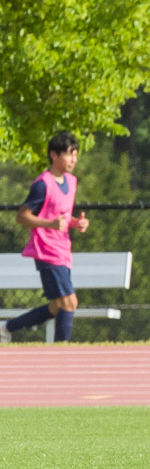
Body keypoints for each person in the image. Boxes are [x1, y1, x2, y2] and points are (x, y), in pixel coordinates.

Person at [1, 132, 90, 344]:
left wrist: (76, 223)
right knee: (70, 303)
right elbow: (22, 216)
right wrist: (49, 224)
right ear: (53, 155)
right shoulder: (42, 184)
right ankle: (61, 354)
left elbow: (62, 216)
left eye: (75, 155)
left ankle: (6, 328)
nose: (73, 160)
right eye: (69, 155)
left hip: (63, 250)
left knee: (57, 306)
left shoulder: (71, 181)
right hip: (47, 251)